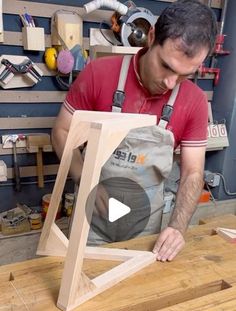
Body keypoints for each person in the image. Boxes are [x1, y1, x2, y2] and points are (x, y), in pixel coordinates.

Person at [52, 0, 217, 261]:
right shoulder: (98, 74)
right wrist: (84, 177)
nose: (170, 83)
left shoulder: (195, 101)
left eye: (186, 74)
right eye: (166, 66)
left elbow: (193, 172)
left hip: (146, 229)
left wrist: (177, 228)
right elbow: (61, 131)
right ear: (151, 37)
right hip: (90, 219)